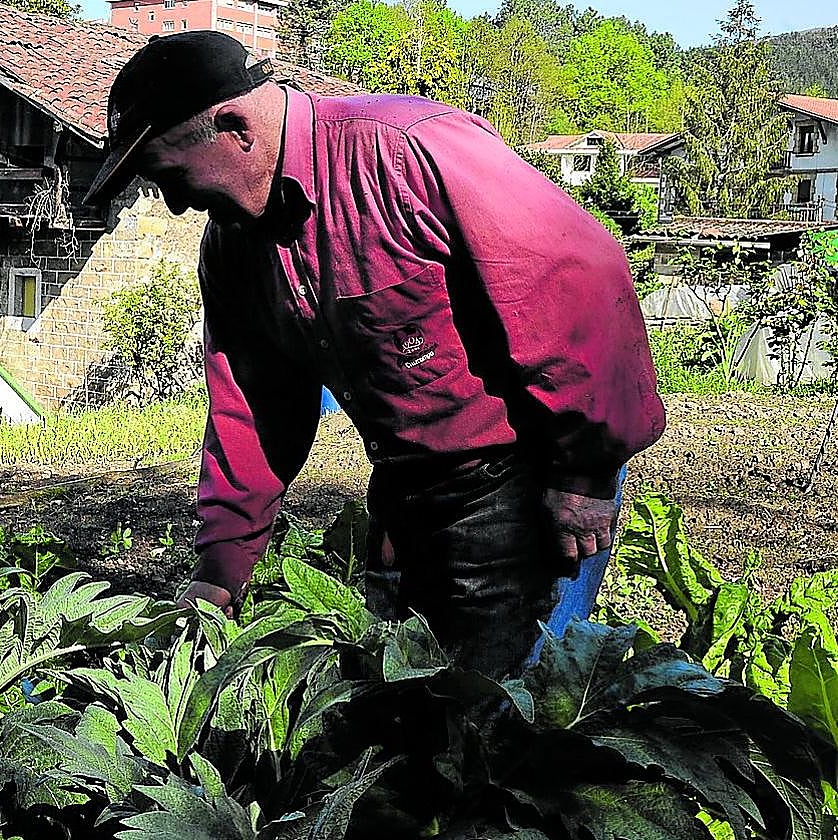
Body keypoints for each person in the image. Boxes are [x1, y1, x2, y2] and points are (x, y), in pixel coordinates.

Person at [85, 32, 666, 678]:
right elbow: (253, 409)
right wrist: (221, 568)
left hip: (524, 480)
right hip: (406, 490)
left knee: (496, 726)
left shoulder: (405, 149)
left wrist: (584, 472)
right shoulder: (232, 248)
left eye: (172, 176)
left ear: (235, 127)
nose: (176, 204)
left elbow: (580, 277)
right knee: (406, 717)